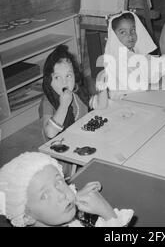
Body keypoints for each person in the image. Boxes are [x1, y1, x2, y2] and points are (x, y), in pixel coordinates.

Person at [0, 152, 133, 227]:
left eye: (58, 182)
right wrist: (108, 212)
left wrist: (75, 197)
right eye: (44, 196)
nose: (62, 195)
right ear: (26, 217)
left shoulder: (56, 217)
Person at [96, 11, 165, 99]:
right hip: (124, 99)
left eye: (132, 30)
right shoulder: (117, 59)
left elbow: (150, 63)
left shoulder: (135, 51)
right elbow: (133, 84)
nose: (130, 35)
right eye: (123, 32)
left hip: (141, 95)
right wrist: (156, 85)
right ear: (114, 36)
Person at [39, 45, 108, 140]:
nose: (64, 82)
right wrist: (63, 105)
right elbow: (50, 133)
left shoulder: (77, 92)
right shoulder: (47, 101)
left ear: (75, 76)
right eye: (57, 77)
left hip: (82, 137)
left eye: (68, 75)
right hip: (61, 146)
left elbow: (101, 105)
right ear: (49, 81)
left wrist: (102, 86)